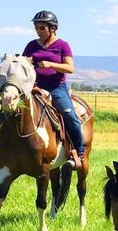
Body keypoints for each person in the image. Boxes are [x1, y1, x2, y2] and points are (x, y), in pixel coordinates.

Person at [18, 10, 84, 168]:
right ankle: (3, 148)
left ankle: (78, 152)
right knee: (10, 109)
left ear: (53, 28)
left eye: (42, 27)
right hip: (34, 87)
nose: (38, 30)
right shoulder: (31, 45)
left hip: (56, 88)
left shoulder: (62, 45)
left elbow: (70, 68)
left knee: (69, 115)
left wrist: (50, 64)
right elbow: (23, 64)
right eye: (36, 27)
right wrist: (25, 61)